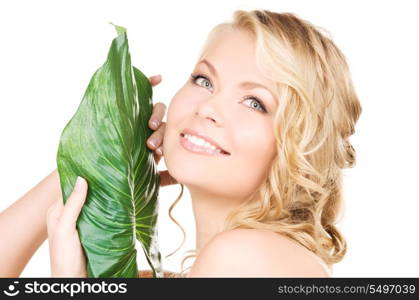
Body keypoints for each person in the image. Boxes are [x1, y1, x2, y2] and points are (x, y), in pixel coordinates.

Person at [0, 9, 361, 278]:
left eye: (255, 103)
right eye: (204, 80)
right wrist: (97, 161)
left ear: (302, 147)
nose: (207, 107)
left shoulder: (244, 258)